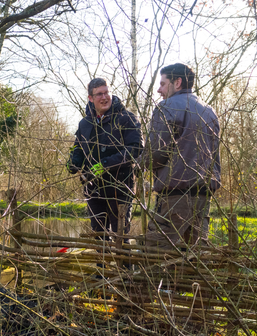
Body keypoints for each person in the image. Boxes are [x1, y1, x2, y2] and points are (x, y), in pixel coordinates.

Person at [137, 63, 221, 249]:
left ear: (177, 82)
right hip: (203, 195)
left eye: (163, 83)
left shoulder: (166, 107)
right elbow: (215, 157)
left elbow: (156, 153)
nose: (159, 89)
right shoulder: (209, 111)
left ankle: (153, 279)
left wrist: (138, 164)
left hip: (175, 195)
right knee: (195, 251)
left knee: (156, 250)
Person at [67, 78, 142, 239]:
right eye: (99, 94)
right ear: (91, 98)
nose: (104, 97)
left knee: (120, 236)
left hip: (120, 187)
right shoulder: (85, 123)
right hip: (94, 189)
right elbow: (78, 146)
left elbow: (135, 149)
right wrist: (73, 161)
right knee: (99, 235)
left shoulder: (126, 118)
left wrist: (105, 165)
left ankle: (123, 264)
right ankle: (102, 264)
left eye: (106, 92)